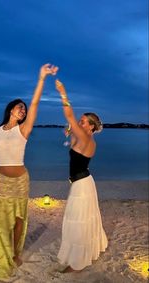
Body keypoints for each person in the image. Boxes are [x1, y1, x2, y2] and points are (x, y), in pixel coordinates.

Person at [0, 63, 58, 281]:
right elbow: (0, 156)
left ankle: (15, 252)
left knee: (19, 219)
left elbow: (35, 102)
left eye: (24, 109)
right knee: (2, 221)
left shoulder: (24, 129)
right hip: (1, 181)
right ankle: (4, 255)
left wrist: (41, 78)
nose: (23, 110)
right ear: (11, 109)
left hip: (21, 181)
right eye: (19, 107)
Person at [55, 79, 108, 272]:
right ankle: (81, 254)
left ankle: (77, 262)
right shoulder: (87, 138)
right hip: (83, 182)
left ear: (91, 126)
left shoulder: (86, 137)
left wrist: (62, 92)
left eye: (83, 121)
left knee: (76, 223)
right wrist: (71, 133)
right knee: (82, 220)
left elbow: (68, 114)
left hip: (82, 185)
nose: (79, 122)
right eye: (80, 121)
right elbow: (71, 133)